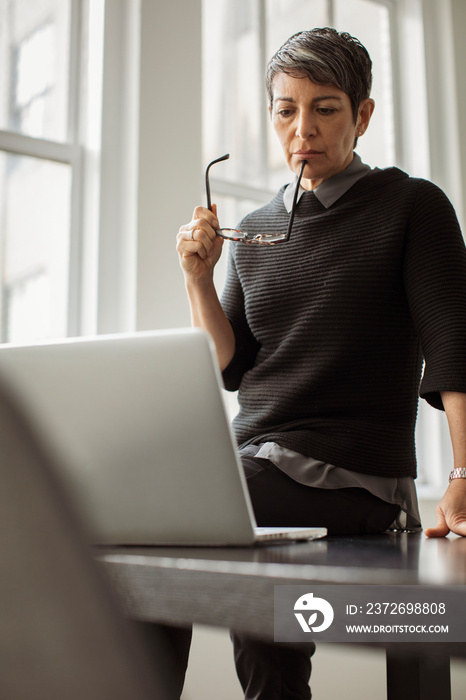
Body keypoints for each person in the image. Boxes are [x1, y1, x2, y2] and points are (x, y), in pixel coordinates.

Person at [176, 27, 466, 700]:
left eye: (325, 108)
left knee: (205, 507)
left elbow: (454, 345)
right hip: (261, 466)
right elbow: (230, 366)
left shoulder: (411, 206)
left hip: (356, 478)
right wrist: (197, 279)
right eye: (286, 109)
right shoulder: (253, 229)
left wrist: (462, 472)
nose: (302, 128)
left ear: (361, 115)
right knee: (177, 525)